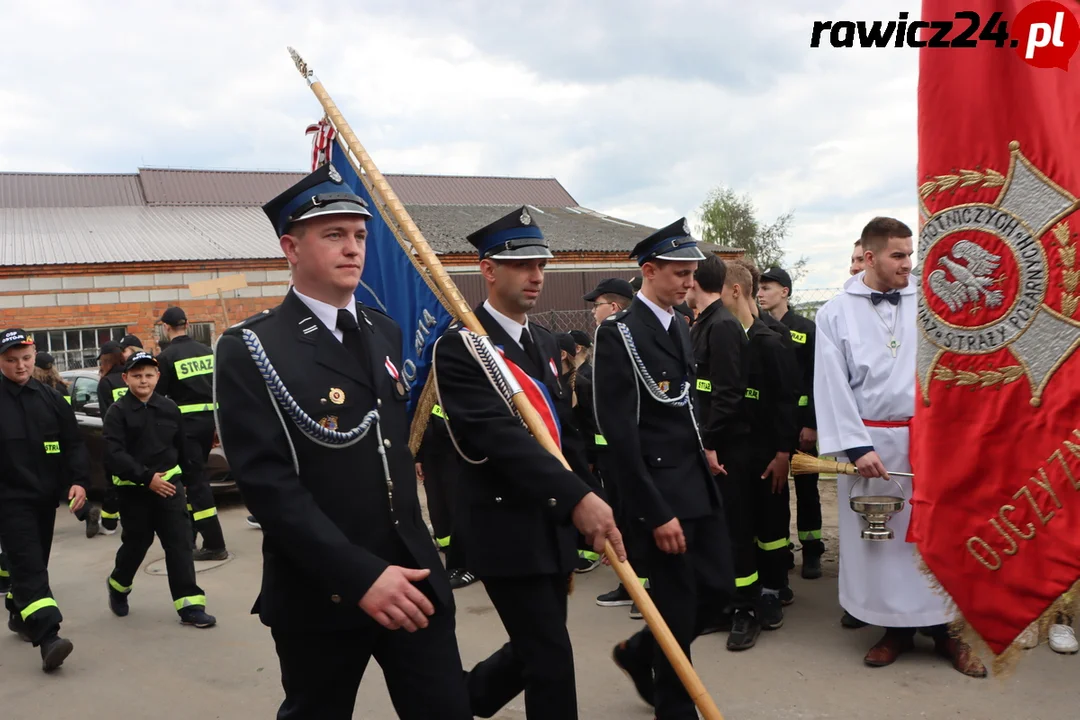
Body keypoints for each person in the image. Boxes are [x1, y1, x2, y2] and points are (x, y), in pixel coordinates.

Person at [215, 164, 472, 719]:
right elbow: (268, 485)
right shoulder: (253, 347)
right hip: (321, 588)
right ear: (291, 247)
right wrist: (359, 575)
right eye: (333, 234)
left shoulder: (384, 330)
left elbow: (392, 451)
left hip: (411, 574)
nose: (352, 248)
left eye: (359, 234)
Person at [433, 206, 623, 720]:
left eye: (541, 264)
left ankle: (464, 697)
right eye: (522, 265)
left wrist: (594, 495)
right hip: (505, 526)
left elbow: (564, 434)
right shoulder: (461, 347)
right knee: (551, 658)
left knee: (538, 645)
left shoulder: (541, 341)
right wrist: (577, 498)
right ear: (488, 270)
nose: (536, 275)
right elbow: (499, 438)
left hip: (553, 521)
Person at [814, 217, 985, 677]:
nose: (908, 264)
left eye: (910, 254)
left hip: (931, 444)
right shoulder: (834, 312)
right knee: (884, 544)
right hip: (872, 445)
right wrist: (855, 447)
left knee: (938, 538)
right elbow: (830, 385)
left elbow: (954, 369)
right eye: (898, 255)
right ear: (869, 257)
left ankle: (949, 632)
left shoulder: (931, 306)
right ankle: (894, 629)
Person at [595, 219, 735, 718]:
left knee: (719, 589)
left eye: (692, 273)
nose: (687, 282)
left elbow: (684, 403)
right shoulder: (620, 334)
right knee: (675, 607)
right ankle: (675, 707)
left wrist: (707, 451)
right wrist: (654, 512)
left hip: (695, 479)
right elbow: (621, 433)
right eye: (678, 272)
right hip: (659, 492)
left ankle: (640, 652)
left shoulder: (678, 324)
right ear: (648, 271)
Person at [103, 351, 215, 628]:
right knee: (136, 544)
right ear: (126, 378)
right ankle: (118, 586)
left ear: (158, 377)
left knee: (179, 544)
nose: (144, 381)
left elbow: (183, 448)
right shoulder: (117, 413)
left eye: (149, 375)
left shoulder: (169, 408)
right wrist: (146, 478)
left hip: (170, 489)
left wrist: (190, 481)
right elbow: (114, 454)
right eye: (137, 376)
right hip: (134, 492)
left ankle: (190, 605)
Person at [0, 329, 89, 672]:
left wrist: (79, 481)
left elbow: (73, 444)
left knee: (32, 563)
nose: (20, 366)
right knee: (31, 567)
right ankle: (49, 636)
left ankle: (18, 612)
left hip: (44, 501)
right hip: (9, 502)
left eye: (25, 358)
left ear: (35, 355)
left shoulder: (51, 399)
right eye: (10, 360)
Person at [582, 278, 649, 615]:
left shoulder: (621, 335)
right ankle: (633, 584)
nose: (593, 312)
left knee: (636, 516)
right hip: (612, 450)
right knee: (624, 514)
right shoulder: (612, 336)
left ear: (615, 307)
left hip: (628, 448)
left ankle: (642, 588)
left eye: (597, 305)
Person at [759, 267, 823, 580]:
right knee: (776, 489)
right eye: (758, 288)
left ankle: (812, 550)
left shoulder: (806, 329)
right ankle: (781, 551)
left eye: (767, 287)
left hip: (802, 424)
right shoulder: (759, 328)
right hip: (773, 425)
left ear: (785, 291)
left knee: (808, 488)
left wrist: (811, 424)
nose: (760, 293)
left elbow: (816, 380)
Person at [156, 306, 228, 561]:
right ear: (187, 325)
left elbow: (159, 397)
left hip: (185, 426)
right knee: (192, 478)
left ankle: (215, 543)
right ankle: (189, 536)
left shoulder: (167, 357)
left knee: (196, 483)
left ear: (166, 327)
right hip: (210, 422)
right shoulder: (207, 351)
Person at [415, 405, 475, 589]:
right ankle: (452, 559)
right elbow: (419, 423)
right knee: (438, 509)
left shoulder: (451, 385)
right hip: (432, 458)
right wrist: (419, 456)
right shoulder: (426, 391)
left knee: (458, 509)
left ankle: (470, 565)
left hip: (455, 456)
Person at [96, 340, 129, 536]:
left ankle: (109, 525)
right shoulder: (131, 376)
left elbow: (105, 416)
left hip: (117, 439)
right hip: (140, 437)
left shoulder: (106, 383)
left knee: (114, 481)